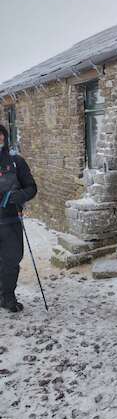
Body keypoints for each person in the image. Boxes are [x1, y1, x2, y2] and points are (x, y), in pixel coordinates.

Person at [0, 124, 37, 312]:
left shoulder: (16, 162)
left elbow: (31, 187)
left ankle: (7, 297)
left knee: (12, 260)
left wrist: (19, 196)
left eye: (0, 136)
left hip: (10, 221)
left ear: (4, 138)